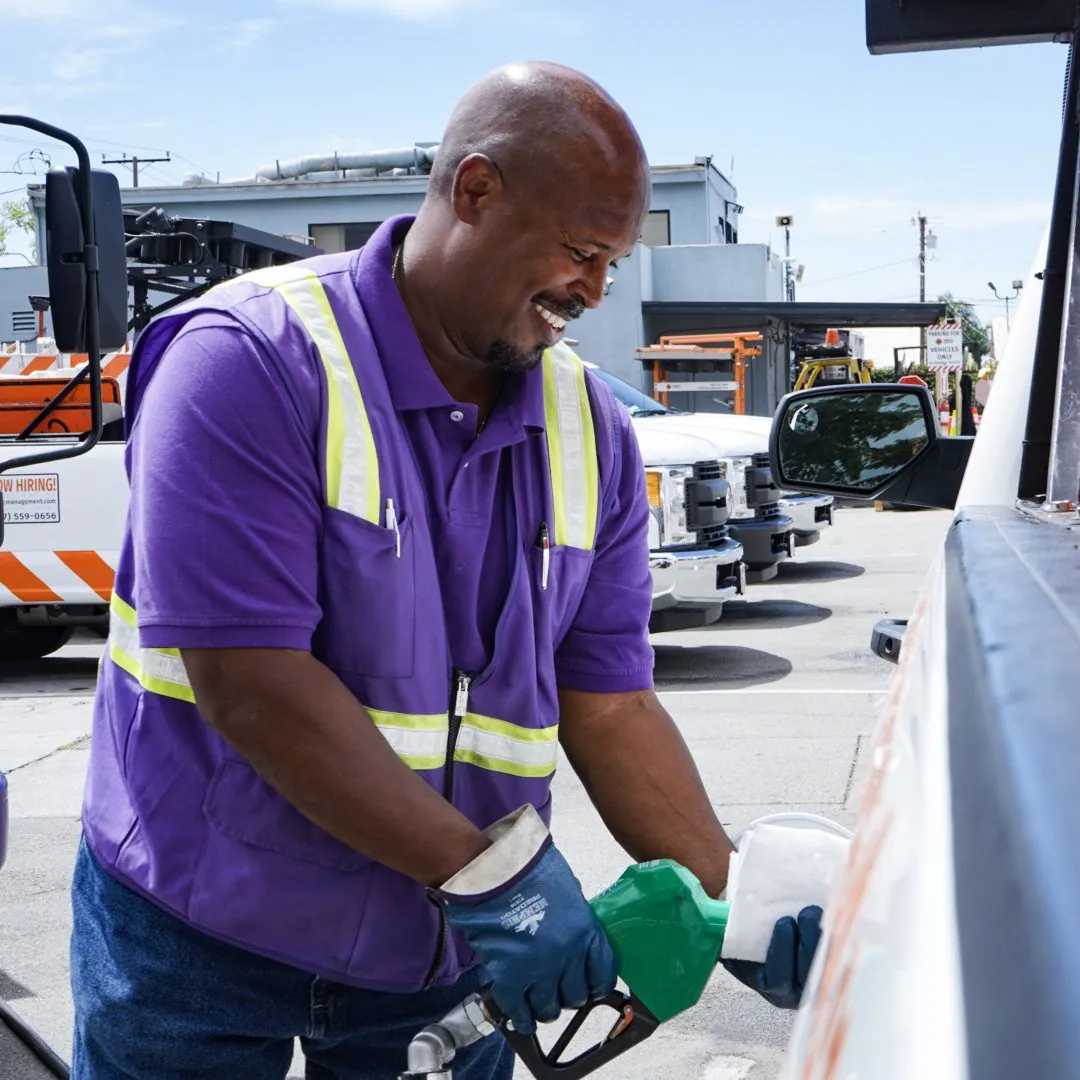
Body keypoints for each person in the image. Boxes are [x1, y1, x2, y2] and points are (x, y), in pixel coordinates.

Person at [70, 61, 823, 1080]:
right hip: (203, 942)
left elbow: (610, 705)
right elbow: (251, 683)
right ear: (474, 191)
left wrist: (729, 900)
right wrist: (493, 878)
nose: (595, 292)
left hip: (439, 959)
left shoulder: (590, 429)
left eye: (612, 262)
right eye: (583, 252)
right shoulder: (249, 358)